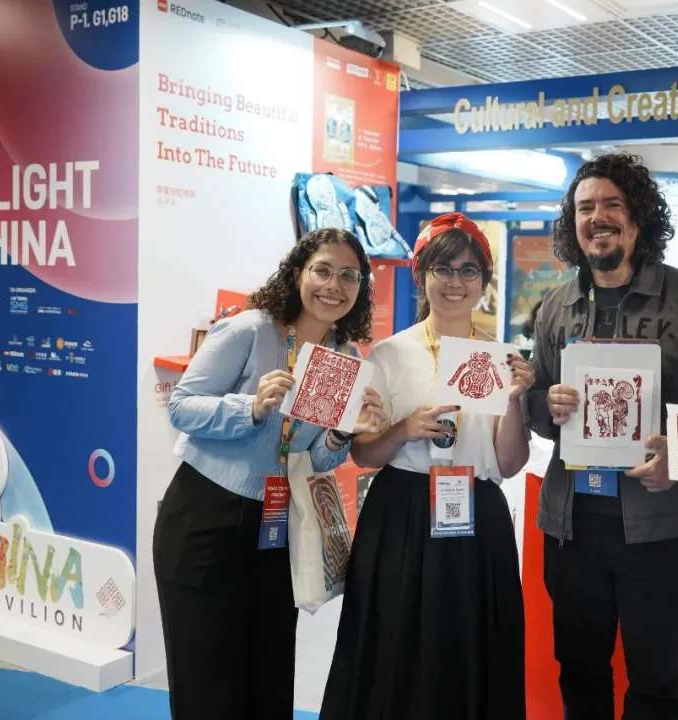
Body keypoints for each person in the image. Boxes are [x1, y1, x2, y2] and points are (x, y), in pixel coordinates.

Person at [527, 152, 678, 719]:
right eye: (584, 208)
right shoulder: (556, 306)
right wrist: (545, 404)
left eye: (612, 204)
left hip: (664, 527)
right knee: (579, 670)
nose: (597, 217)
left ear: (639, 216)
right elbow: (533, 399)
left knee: (656, 679)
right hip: (572, 526)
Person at [153, 228, 386, 720]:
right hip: (205, 517)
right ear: (298, 272)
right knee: (206, 676)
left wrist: (342, 434)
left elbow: (315, 459)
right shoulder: (251, 330)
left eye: (349, 276)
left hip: (277, 527)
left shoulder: (342, 358)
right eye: (323, 270)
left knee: (270, 672)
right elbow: (181, 405)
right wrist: (251, 408)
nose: (334, 285)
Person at [320, 212, 534, 720]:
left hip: (476, 514)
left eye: (468, 270)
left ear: (483, 280)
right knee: (394, 645)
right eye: (443, 268)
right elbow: (363, 454)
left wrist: (516, 400)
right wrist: (404, 430)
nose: (455, 282)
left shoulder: (500, 360)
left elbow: (509, 463)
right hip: (401, 512)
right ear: (421, 275)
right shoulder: (389, 354)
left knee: (468, 644)